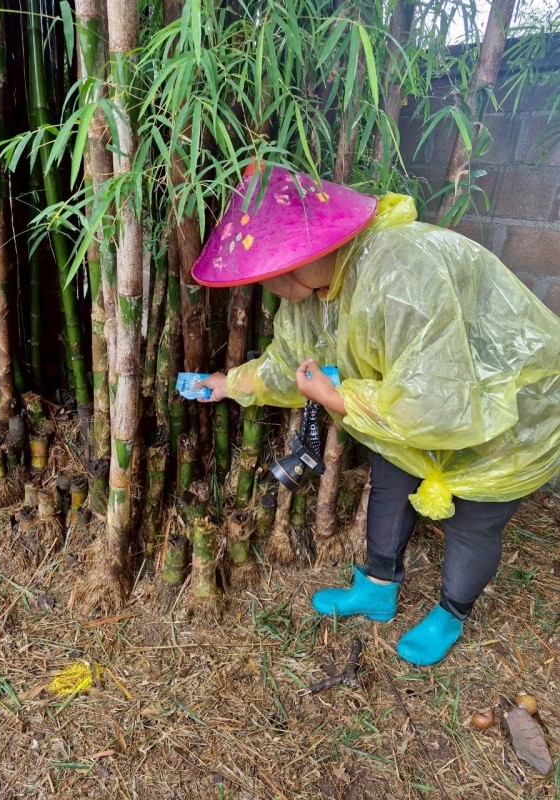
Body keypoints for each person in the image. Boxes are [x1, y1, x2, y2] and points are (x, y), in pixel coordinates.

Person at [190, 163, 560, 666]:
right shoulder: (316, 292)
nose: (271, 286)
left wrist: (335, 397)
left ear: (311, 249)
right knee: (390, 489)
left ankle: (452, 611)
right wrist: (229, 383)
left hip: (508, 419)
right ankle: (378, 588)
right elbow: (287, 363)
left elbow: (437, 403)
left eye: (275, 272)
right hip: (408, 422)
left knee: (474, 523)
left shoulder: (403, 269)